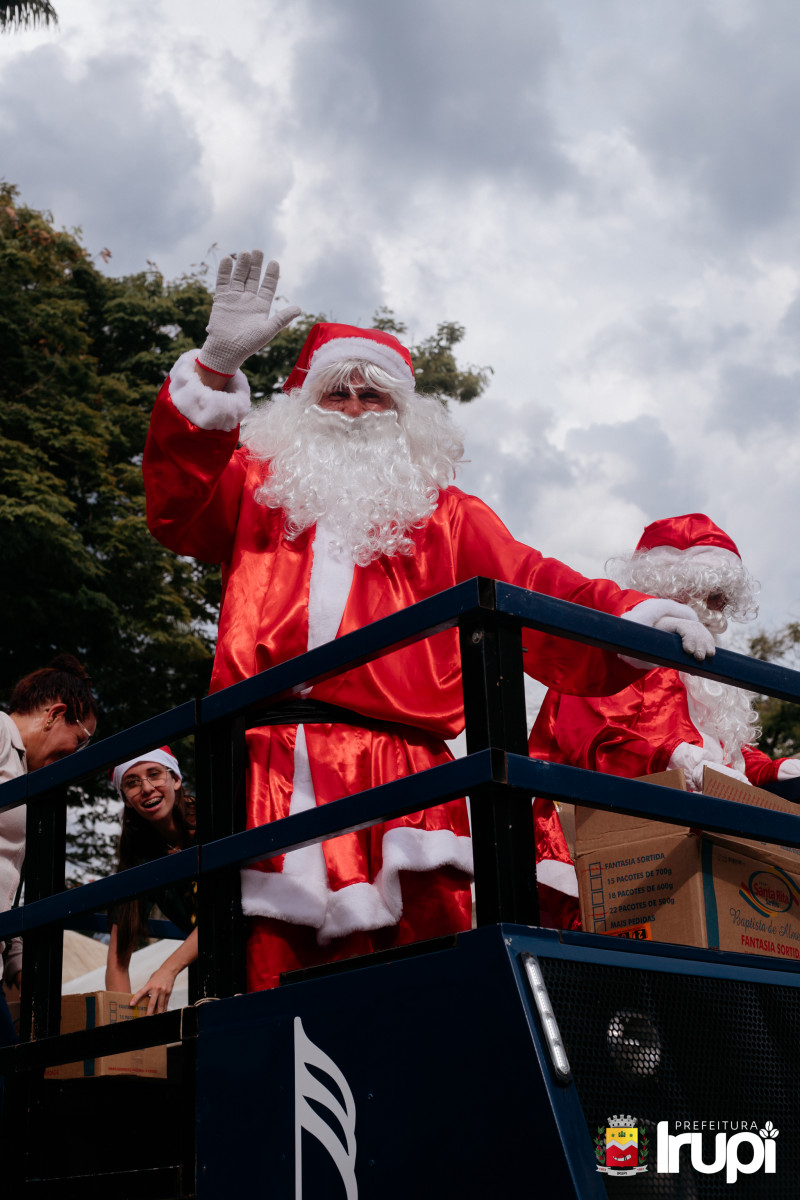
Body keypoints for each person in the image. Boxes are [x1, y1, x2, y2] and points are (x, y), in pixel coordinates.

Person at [143, 251, 715, 989]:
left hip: (405, 772)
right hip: (268, 767)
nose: (354, 408)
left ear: (404, 415)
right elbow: (175, 504)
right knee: (269, 979)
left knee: (421, 980)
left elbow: (534, 580)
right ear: (303, 405)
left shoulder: (444, 516)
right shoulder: (256, 489)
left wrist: (633, 616)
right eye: (336, 393)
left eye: (373, 396)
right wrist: (215, 370)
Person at [529, 513, 800, 929]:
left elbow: (723, 752)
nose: (722, 608)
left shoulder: (702, 669)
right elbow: (597, 741)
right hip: (609, 845)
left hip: (691, 841)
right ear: (677, 584)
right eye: (716, 593)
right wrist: (679, 761)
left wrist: (774, 769)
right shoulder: (619, 654)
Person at [0, 654, 97, 1037]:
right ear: (55, 714)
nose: (75, 755)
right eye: (81, 740)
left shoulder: (27, 777)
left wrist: (16, 960)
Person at [105, 747, 197, 1015]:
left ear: (175, 779)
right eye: (132, 783)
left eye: (155, 774)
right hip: (211, 967)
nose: (146, 788)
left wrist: (167, 970)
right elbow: (117, 963)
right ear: (126, 799)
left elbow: (229, 909)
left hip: (262, 947)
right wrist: (125, 1027)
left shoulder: (215, 818)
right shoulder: (139, 858)